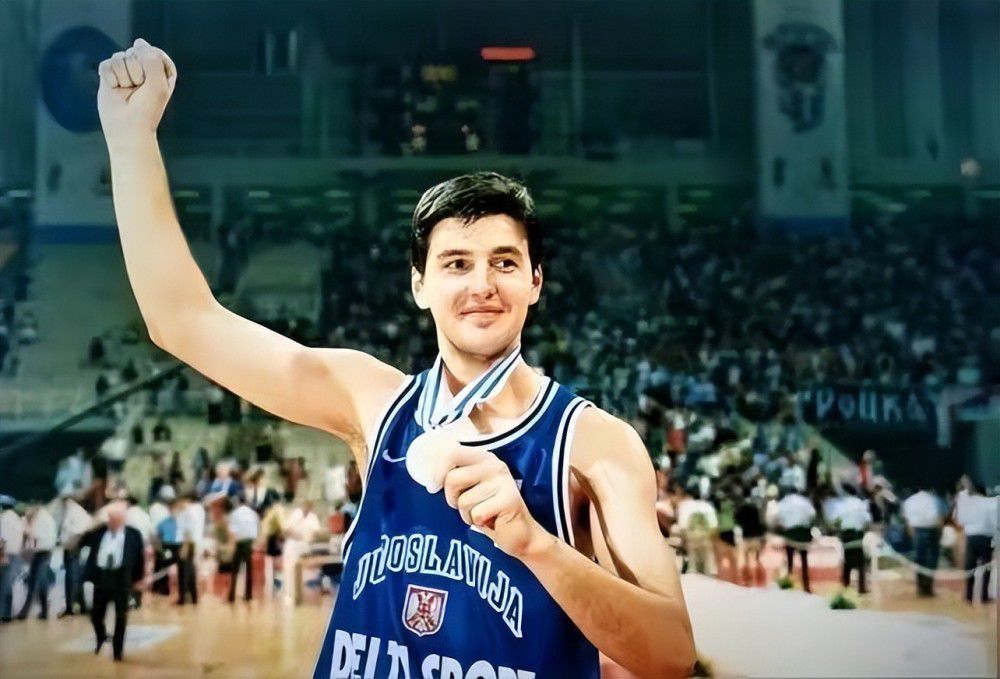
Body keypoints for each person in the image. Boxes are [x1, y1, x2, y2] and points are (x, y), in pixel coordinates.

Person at [97, 41, 696, 678]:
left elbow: (669, 656)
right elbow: (181, 320)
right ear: (419, 285)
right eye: (456, 264)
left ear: (536, 282)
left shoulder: (594, 444)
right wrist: (130, 138)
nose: (482, 284)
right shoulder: (372, 399)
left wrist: (533, 544)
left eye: (504, 262)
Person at [82, 502, 145, 662]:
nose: (110, 521)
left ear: (122, 519)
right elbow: (82, 541)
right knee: (96, 614)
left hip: (121, 578)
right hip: (102, 576)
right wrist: (94, 523)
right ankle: (101, 636)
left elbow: (139, 558)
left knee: (121, 617)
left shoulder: (133, 534)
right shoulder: (99, 532)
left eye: (114, 518)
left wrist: (138, 580)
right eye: (109, 518)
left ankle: (118, 651)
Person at [954, 483, 997, 604]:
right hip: (986, 538)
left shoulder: (967, 503)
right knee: (986, 568)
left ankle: (968, 596)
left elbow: (960, 520)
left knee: (969, 567)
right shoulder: (990, 503)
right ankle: (984, 596)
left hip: (971, 538)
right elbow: (995, 522)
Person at [902, 485, 946, 597]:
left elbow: (908, 522)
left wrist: (912, 535)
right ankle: (928, 587)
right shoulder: (936, 500)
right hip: (933, 530)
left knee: (919, 559)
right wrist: (940, 534)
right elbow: (940, 519)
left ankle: (920, 588)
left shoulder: (909, 501)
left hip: (917, 531)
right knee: (932, 559)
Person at [17, 504, 57, 619]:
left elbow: (33, 534)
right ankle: (39, 611)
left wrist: (26, 528)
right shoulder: (46, 516)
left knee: (37, 580)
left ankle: (30, 612)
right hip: (45, 551)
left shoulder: (40, 517)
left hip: (41, 552)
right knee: (36, 579)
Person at [831, 484, 872, 595]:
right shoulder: (861, 504)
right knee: (861, 561)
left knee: (847, 560)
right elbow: (867, 521)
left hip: (846, 534)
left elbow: (835, 520)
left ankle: (846, 585)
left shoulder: (840, 505)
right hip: (858, 534)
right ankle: (862, 587)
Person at [58, 493, 93, 616]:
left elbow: (78, 530)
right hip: (72, 546)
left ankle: (72, 606)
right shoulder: (76, 511)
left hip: (72, 547)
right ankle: (78, 605)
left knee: (72, 577)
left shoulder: (73, 510)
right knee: (75, 576)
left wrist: (72, 542)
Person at [774, 489, 816, 593]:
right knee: (804, 558)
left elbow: (778, 517)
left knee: (789, 557)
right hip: (804, 534)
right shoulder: (805, 501)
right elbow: (812, 515)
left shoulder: (784, 502)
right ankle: (806, 584)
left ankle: (789, 579)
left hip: (790, 533)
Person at [227, 495, 259, 602]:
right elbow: (256, 529)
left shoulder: (235, 513)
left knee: (235, 570)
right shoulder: (253, 513)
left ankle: (231, 596)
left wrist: (231, 546)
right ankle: (248, 595)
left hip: (239, 542)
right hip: (249, 542)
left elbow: (232, 531)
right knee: (249, 570)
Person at [0, 495, 25, 623]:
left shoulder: (4, 518)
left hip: (6, 554)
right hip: (16, 553)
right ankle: (9, 613)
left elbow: (2, 539)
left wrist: (2, 555)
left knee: (5, 584)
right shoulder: (17, 519)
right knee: (12, 583)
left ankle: (4, 614)